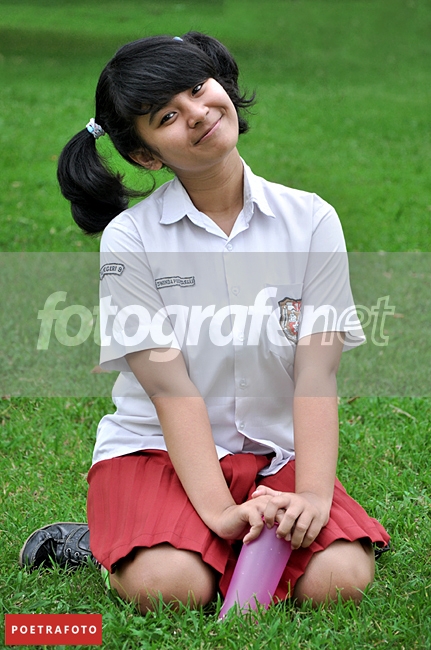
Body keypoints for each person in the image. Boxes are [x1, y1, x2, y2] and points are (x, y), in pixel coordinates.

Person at [20, 32, 390, 612]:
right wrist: (220, 512)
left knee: (339, 580)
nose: (196, 112)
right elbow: (171, 390)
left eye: (197, 88)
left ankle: (216, 541)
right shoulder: (131, 238)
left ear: (222, 85)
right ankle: (108, 544)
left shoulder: (311, 220)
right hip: (158, 454)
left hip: (275, 457)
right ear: (146, 155)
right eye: (166, 116)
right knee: (171, 587)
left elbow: (317, 375)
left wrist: (314, 497)